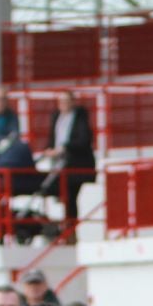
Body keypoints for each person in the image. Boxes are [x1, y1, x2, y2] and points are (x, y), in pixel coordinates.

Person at [37, 88, 96, 231]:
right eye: (61, 101)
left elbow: (83, 140)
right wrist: (49, 149)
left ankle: (70, 229)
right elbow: (53, 138)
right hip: (59, 164)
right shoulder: (57, 117)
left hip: (76, 165)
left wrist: (64, 148)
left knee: (70, 196)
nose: (63, 104)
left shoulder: (80, 117)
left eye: (66, 101)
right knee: (51, 191)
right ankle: (58, 226)